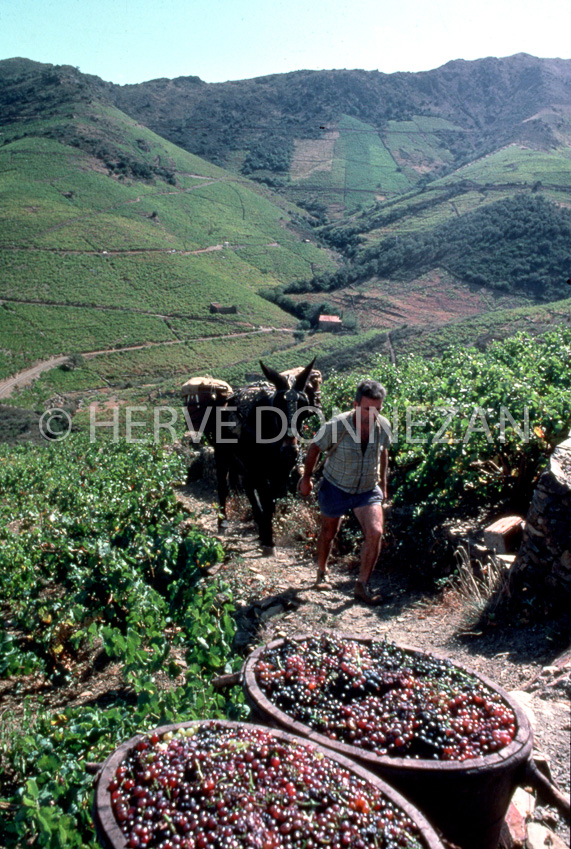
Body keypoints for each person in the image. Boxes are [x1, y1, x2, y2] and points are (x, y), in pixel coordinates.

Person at [298, 378, 391, 605]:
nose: (373, 414)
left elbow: (384, 453)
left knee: (376, 531)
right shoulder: (337, 425)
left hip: (367, 488)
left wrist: (384, 484)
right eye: (368, 408)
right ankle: (322, 571)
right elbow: (314, 449)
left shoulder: (384, 425)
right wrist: (307, 478)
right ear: (356, 404)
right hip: (336, 486)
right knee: (329, 532)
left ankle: (362, 585)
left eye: (377, 409)